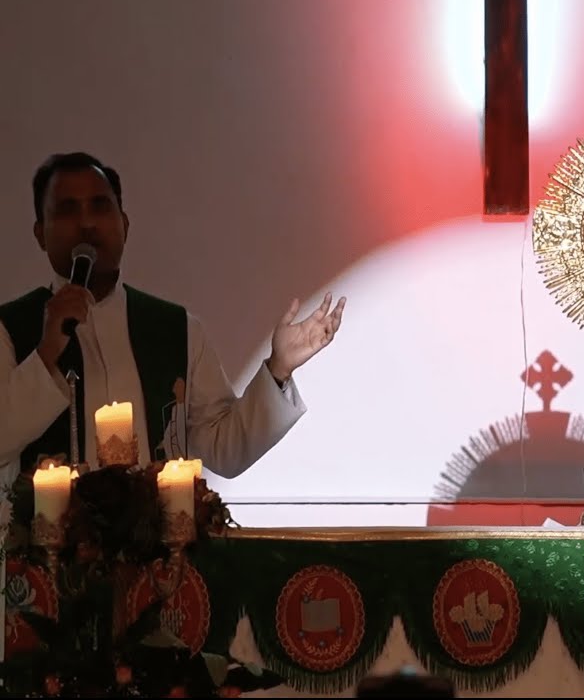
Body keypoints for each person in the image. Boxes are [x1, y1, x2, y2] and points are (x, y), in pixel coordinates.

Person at [0, 151, 347, 488]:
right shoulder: (11, 329)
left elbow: (225, 450)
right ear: (40, 234)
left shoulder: (175, 329)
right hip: (43, 545)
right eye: (67, 210)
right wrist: (46, 353)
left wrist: (278, 369)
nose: (87, 223)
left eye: (100, 206)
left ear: (124, 224)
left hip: (156, 545)